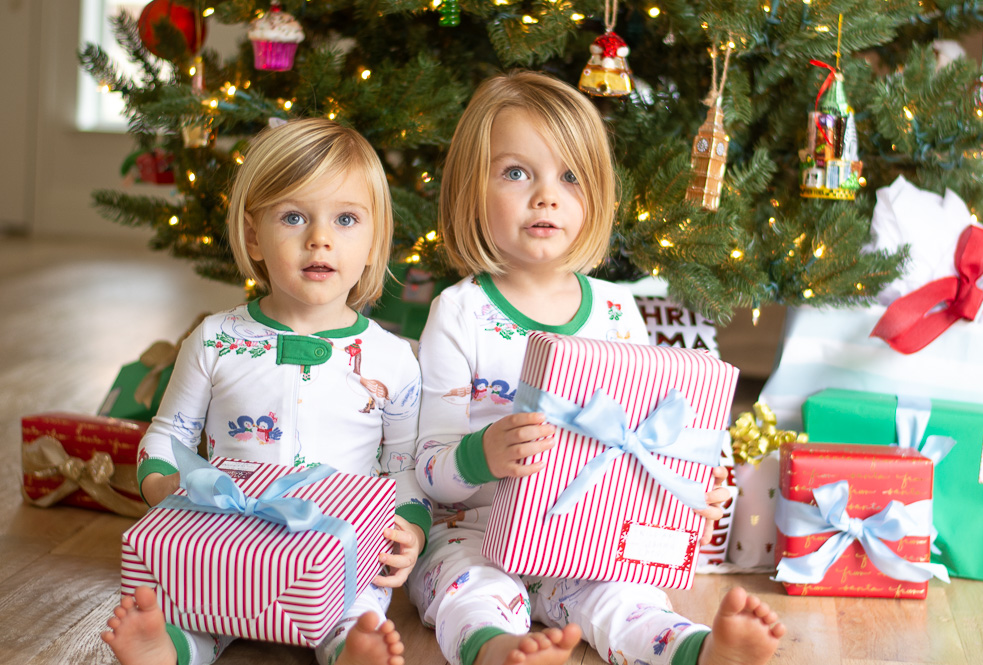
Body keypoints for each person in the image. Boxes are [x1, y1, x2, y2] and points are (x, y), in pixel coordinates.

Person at [410, 71, 786, 665]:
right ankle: (501, 649)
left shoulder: (617, 310)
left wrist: (688, 491)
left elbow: (644, 449)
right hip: (473, 533)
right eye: (516, 173)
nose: (545, 196)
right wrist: (482, 453)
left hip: (586, 538)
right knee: (470, 592)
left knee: (627, 598)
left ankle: (701, 652)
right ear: (470, 191)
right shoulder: (460, 313)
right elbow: (428, 469)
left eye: (570, 176)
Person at [101, 119, 431, 665]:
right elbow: (168, 434)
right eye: (294, 217)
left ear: (373, 242)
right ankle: (169, 646)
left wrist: (411, 529)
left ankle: (349, 647)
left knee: (355, 609)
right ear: (254, 236)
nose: (319, 238)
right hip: (224, 539)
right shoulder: (215, 340)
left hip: (335, 546)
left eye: (346, 219)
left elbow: (404, 464)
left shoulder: (393, 359)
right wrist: (162, 487)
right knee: (187, 604)